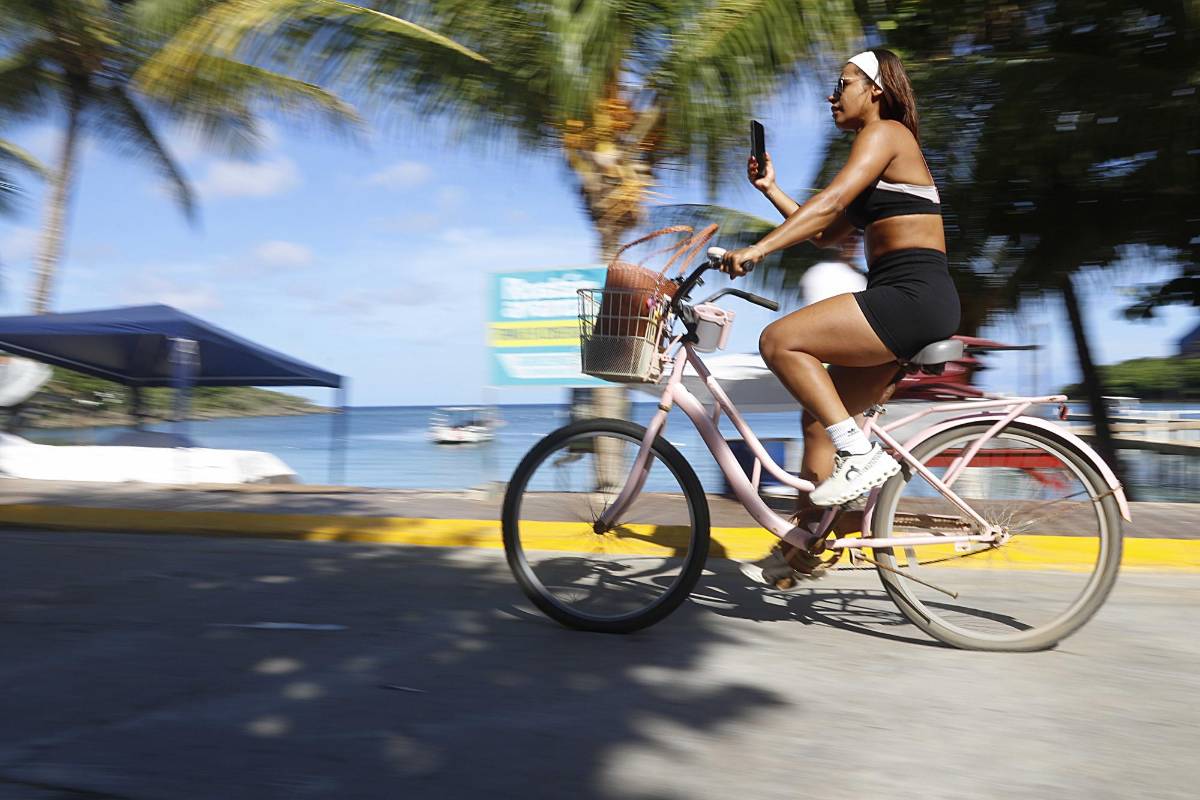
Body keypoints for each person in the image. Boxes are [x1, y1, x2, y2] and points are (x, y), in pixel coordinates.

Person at [726, 50, 961, 586]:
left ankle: (860, 456)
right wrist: (770, 191)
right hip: (910, 297)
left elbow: (830, 201)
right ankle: (802, 549)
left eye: (842, 85)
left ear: (875, 90)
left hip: (912, 294)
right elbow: (825, 232)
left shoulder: (886, 134)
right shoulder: (879, 154)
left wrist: (758, 250)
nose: (832, 96)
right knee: (818, 422)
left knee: (779, 340)